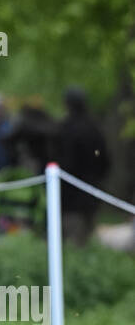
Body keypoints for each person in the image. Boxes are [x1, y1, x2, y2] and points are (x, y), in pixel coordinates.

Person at [56, 87, 109, 245]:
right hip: (90, 193)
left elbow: (66, 163)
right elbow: (105, 162)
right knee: (85, 239)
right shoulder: (94, 128)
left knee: (74, 243)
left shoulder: (66, 129)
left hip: (71, 198)